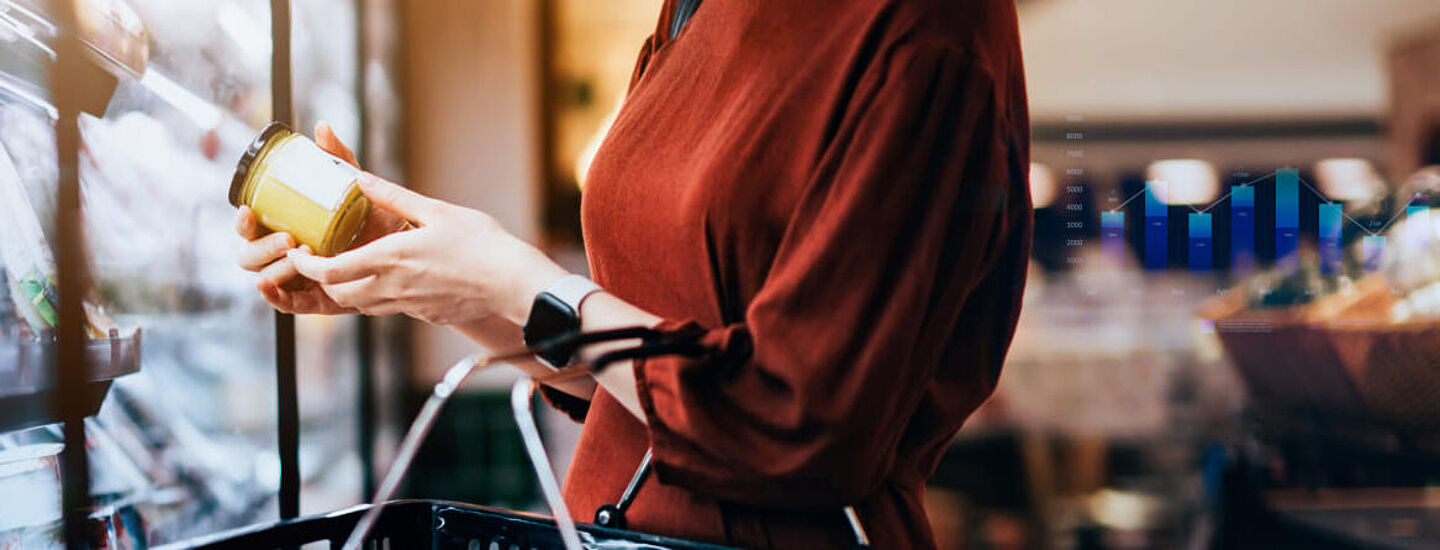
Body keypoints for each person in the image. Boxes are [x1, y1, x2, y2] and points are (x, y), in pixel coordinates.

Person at [236, 0, 1031, 547]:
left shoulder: (925, 28)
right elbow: (649, 384)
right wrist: (417, 268)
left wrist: (514, 279)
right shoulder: (692, 8)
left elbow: (798, 423)